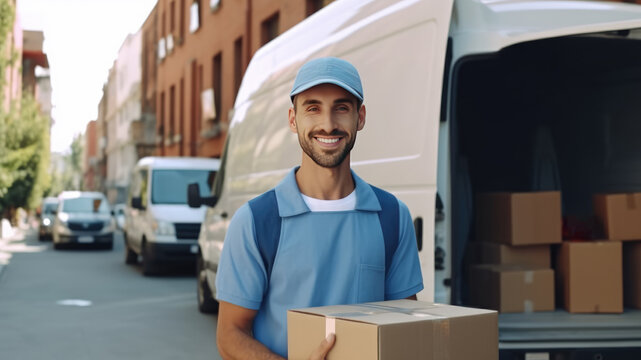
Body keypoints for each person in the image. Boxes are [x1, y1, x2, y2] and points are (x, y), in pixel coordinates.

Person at [215, 57, 423, 359]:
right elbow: (229, 335)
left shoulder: (391, 216)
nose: (328, 124)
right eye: (313, 108)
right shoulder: (256, 221)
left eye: (341, 108)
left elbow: (405, 328)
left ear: (360, 117)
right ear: (292, 119)